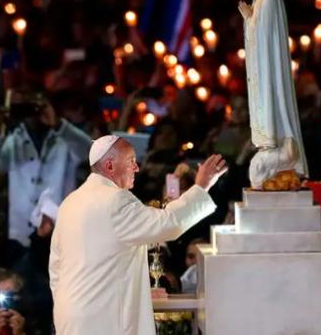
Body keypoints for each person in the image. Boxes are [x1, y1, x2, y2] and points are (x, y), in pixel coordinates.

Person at [49, 135, 226, 335]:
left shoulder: (70, 202)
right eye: (131, 161)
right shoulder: (115, 200)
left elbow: (56, 266)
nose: (137, 168)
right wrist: (202, 187)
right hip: (104, 317)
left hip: (70, 316)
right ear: (109, 166)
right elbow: (168, 222)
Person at [0, 88, 93, 247]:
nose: (31, 113)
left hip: (59, 231)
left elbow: (90, 152)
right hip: (22, 232)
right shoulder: (14, 140)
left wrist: (58, 125)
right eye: (24, 107)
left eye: (36, 106)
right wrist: (0, 130)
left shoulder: (65, 138)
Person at [237, 0, 308, 187]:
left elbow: (264, 37)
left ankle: (275, 143)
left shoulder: (266, 1)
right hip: (260, 67)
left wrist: (248, 19)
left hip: (267, 69)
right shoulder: (261, 0)